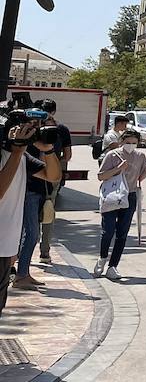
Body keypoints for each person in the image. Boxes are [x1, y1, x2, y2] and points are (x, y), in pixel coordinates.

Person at [0, 118, 58, 315]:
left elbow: (53, 176)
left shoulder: (22, 158)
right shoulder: (12, 156)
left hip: (6, 247)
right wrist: (17, 151)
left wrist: (48, 150)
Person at [11, 123, 63, 291]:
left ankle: (22, 273)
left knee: (30, 235)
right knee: (31, 234)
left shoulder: (26, 155)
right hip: (29, 194)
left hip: (36, 192)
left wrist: (48, 150)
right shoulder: (15, 153)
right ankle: (21, 274)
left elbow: (54, 176)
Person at [95, 127, 146, 280]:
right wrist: (118, 169)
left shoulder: (140, 156)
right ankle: (102, 257)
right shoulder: (113, 155)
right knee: (108, 230)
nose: (131, 145)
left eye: (134, 142)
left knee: (122, 233)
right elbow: (101, 176)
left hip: (130, 196)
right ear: (121, 141)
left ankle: (113, 266)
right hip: (112, 195)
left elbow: (140, 176)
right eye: (127, 142)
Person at [37, 99, 71, 265]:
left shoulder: (33, 126)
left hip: (33, 173)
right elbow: (68, 155)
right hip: (53, 175)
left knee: (30, 211)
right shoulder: (62, 129)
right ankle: (44, 252)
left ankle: (25, 251)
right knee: (48, 211)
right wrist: (55, 163)